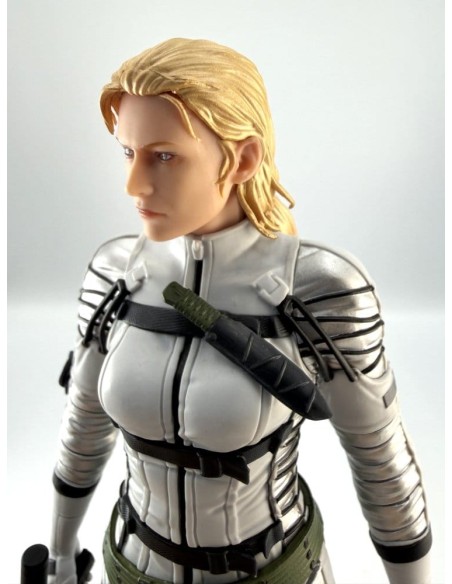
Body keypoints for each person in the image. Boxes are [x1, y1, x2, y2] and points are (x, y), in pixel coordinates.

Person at [49, 38, 432, 584]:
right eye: (128, 154)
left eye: (164, 156)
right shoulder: (116, 273)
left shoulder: (318, 288)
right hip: (132, 566)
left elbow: (381, 463)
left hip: (273, 570)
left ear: (243, 158)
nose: (133, 186)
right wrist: (60, 554)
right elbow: (84, 425)